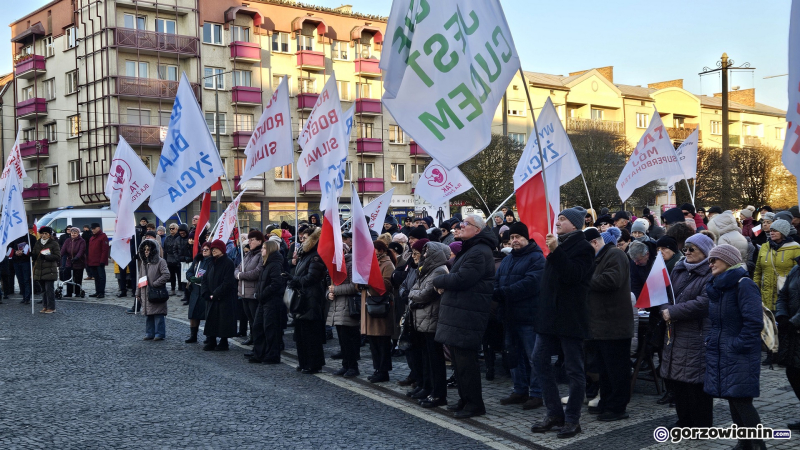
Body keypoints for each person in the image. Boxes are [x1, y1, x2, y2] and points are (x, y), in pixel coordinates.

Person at [530, 207, 594, 438]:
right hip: (549, 318)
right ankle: (554, 413)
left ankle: (572, 419)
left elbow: (573, 275)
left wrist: (556, 251)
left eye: (563, 219)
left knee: (574, 370)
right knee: (539, 360)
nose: (557, 222)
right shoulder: (557, 246)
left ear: (575, 224)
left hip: (570, 318)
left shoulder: (584, 247)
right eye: (558, 218)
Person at [433, 214, 497, 419]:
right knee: (458, 361)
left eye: (465, 224)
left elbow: (463, 278)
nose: (460, 226)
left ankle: (474, 404)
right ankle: (464, 399)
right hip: (460, 311)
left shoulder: (479, 251)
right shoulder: (471, 248)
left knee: (466, 362)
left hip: (468, 312)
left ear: (477, 230)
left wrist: (439, 280)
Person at [704, 244, 767, 449]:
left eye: (714, 259)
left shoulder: (744, 284)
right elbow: (717, 322)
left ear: (728, 260)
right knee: (733, 398)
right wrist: (712, 340)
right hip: (723, 350)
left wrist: (737, 344)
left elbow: (754, 322)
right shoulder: (718, 286)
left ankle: (757, 445)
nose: (710, 264)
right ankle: (745, 443)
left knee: (742, 400)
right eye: (709, 260)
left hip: (740, 352)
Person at [660, 233, 715, 428]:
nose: (688, 252)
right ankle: (683, 421)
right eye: (686, 249)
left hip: (696, 334)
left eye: (693, 249)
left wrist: (672, 311)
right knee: (678, 381)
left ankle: (701, 425)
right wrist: (665, 309)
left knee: (696, 382)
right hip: (675, 333)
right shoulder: (679, 269)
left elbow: (704, 302)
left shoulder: (711, 272)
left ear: (705, 252)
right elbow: (666, 294)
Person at [494, 222, 545, 411]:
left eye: (518, 237)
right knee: (513, 355)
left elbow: (531, 283)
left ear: (526, 238)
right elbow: (497, 280)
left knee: (534, 357)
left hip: (529, 316)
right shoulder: (508, 259)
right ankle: (519, 389)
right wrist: (497, 292)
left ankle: (537, 393)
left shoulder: (537, 258)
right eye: (512, 238)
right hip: (509, 315)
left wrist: (504, 293)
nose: (514, 240)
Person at [585, 227, 633, 421]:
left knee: (617, 370)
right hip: (602, 325)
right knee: (605, 370)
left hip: (615, 325)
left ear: (595, 243)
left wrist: (584, 276)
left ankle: (617, 408)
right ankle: (606, 402)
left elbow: (611, 281)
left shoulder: (615, 255)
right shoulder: (599, 258)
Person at [409, 241, 450, 408]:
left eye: (426, 252)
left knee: (435, 360)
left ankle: (438, 393)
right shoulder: (427, 270)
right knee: (427, 358)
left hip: (432, 318)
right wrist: (414, 292)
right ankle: (428, 387)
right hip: (423, 318)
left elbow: (424, 293)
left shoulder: (439, 270)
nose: (424, 255)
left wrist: (413, 294)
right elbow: (415, 287)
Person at [290, 227, 328, 373]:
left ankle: (313, 364)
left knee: (311, 333)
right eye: (301, 237)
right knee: (300, 333)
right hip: (302, 297)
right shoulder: (305, 255)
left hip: (311, 298)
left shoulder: (316, 256)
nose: (302, 240)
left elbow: (311, 277)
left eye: (305, 238)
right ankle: (304, 362)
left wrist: (294, 279)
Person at [246, 240, 286, 364]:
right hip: (263, 300)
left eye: (263, 248)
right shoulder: (266, 263)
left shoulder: (275, 265)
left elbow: (276, 283)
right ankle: (259, 353)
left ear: (269, 249)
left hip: (272, 301)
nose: (261, 250)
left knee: (270, 329)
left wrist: (263, 293)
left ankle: (272, 356)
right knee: (258, 327)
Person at [362, 240, 397, 383]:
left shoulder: (387, 264)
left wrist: (370, 279)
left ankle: (383, 371)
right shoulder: (369, 263)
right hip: (370, 305)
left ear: (381, 250)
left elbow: (387, 285)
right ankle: (377, 369)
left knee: (382, 342)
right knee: (373, 342)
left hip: (381, 307)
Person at [326, 242, 361, 377]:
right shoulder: (334, 267)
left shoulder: (351, 264)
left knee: (349, 339)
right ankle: (345, 365)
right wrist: (328, 294)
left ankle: (353, 366)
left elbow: (354, 286)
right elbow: (329, 287)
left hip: (348, 306)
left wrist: (336, 290)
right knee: (342, 339)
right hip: (337, 306)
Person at [202, 240, 238, 351]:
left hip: (224, 297)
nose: (213, 251)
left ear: (222, 249)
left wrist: (216, 293)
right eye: (212, 249)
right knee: (211, 319)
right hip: (211, 296)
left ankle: (223, 342)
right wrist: (206, 292)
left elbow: (228, 282)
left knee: (223, 320)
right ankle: (211, 340)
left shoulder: (228, 263)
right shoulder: (211, 262)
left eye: (216, 249)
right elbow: (205, 278)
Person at [135, 240, 170, 341]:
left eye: (148, 249)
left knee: (158, 313)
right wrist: (138, 292)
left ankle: (159, 333)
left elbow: (166, 274)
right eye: (144, 249)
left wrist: (155, 284)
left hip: (157, 292)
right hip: (145, 292)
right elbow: (140, 278)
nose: (146, 251)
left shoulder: (161, 261)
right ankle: (149, 333)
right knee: (148, 314)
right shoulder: (144, 263)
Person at [235, 230, 264, 346]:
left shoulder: (260, 255)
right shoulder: (248, 254)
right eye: (249, 240)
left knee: (255, 318)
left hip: (253, 292)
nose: (249, 242)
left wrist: (240, 275)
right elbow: (238, 267)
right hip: (243, 292)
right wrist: (238, 274)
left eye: (252, 240)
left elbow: (257, 272)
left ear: (259, 241)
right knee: (249, 318)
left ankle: (257, 341)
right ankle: (252, 337)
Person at [185, 243, 211, 344]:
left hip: (206, 290)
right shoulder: (198, 260)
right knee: (193, 314)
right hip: (195, 291)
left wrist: (201, 279)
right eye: (203, 249)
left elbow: (212, 274)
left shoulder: (213, 261)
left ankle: (209, 336)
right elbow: (189, 271)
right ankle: (193, 336)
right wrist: (191, 277)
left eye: (207, 249)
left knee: (207, 315)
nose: (204, 251)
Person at [32, 227, 61, 313]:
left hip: (49, 270)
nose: (43, 235)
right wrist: (32, 255)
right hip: (40, 270)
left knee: (49, 290)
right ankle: (45, 306)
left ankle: (51, 307)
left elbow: (57, 256)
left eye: (46, 233)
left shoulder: (54, 243)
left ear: (49, 235)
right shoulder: (38, 243)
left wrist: (46, 257)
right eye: (42, 233)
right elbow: (35, 253)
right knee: (43, 290)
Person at [9, 225, 35, 305]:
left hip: (26, 261)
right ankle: (23, 296)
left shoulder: (31, 238)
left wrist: (25, 252)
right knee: (20, 280)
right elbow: (10, 248)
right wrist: (15, 252)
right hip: (16, 261)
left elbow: (34, 250)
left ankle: (27, 297)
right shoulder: (14, 238)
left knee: (26, 280)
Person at [61, 227, 86, 297]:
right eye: (72, 233)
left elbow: (81, 251)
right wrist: (59, 256)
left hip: (79, 262)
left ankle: (77, 292)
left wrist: (76, 257)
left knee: (78, 278)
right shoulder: (68, 240)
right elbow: (63, 249)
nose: (73, 234)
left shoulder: (82, 241)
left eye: (75, 233)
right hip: (69, 261)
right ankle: (69, 292)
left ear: (78, 233)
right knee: (68, 278)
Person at [86, 223, 109, 298]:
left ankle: (101, 292)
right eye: (92, 229)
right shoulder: (92, 238)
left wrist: (102, 260)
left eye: (94, 228)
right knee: (96, 277)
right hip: (92, 261)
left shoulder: (103, 236)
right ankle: (97, 291)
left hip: (99, 261)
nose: (92, 230)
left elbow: (105, 250)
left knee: (101, 277)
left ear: (98, 228)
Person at [163, 224, 182, 295]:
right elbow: (165, 249)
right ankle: (173, 289)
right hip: (169, 258)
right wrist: (165, 259)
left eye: (173, 228)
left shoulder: (179, 237)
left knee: (179, 275)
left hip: (177, 258)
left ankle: (180, 289)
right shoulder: (168, 238)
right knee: (171, 275)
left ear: (176, 229)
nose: (171, 230)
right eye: (170, 228)